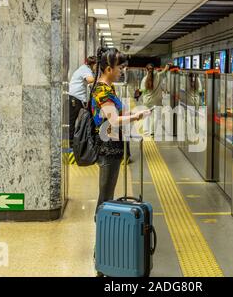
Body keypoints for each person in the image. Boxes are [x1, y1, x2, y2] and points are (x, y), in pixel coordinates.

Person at [91, 48, 151, 215]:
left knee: (108, 194)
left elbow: (118, 114)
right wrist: (136, 116)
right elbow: (114, 120)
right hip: (107, 148)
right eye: (119, 68)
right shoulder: (102, 91)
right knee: (105, 196)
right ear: (109, 69)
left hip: (113, 146)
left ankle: (104, 231)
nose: (121, 71)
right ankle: (101, 232)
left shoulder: (109, 88)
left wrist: (135, 114)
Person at [69, 56, 97, 143]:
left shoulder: (85, 69)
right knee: (72, 121)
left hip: (77, 98)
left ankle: (75, 141)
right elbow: (90, 80)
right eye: (97, 66)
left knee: (78, 121)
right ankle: (71, 143)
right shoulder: (86, 69)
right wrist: (102, 78)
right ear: (93, 64)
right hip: (75, 99)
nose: (97, 68)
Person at [140, 63, 171, 135]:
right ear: (154, 69)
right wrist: (168, 65)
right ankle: (152, 131)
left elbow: (142, 90)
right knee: (156, 117)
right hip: (157, 101)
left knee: (146, 116)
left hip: (147, 101)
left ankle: (145, 131)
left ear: (146, 70)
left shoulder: (144, 79)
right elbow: (165, 70)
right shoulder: (158, 75)